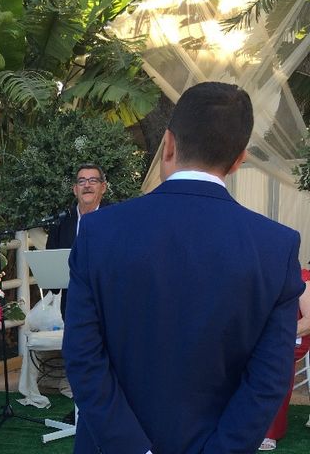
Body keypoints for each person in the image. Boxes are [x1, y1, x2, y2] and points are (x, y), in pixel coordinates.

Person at [62, 81, 306, 454]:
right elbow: (269, 378)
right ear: (239, 159)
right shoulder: (275, 247)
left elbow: (82, 357)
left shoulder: (98, 233)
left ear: (169, 144)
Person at [45, 163, 108, 319]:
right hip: (72, 306)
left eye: (93, 180)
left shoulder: (117, 218)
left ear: (103, 187)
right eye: (81, 181)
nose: (87, 185)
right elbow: (51, 266)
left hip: (109, 302)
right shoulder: (61, 222)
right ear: (75, 189)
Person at [259, 268, 310, 451]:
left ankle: (269, 431)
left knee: (273, 361)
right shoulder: (260, 274)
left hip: (291, 337)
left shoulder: (301, 277)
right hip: (260, 337)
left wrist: (275, 334)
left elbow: (309, 321)